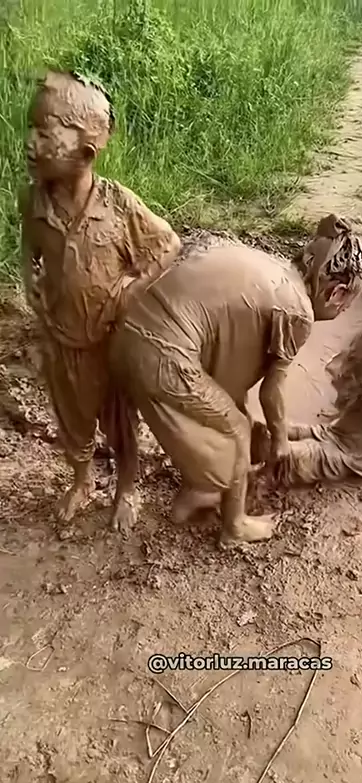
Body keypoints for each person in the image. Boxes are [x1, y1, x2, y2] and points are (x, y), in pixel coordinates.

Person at [110, 214, 362, 543]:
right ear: (336, 293)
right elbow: (271, 393)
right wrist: (279, 441)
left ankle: (202, 487)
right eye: (347, 304)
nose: (343, 311)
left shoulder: (270, 268)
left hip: (128, 335)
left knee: (226, 414)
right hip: (162, 354)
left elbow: (227, 374)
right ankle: (234, 526)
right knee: (236, 430)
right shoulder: (298, 312)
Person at [19, 71, 181, 533]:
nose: (30, 143)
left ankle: (127, 486)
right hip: (61, 339)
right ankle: (83, 479)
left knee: (120, 421)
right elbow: (29, 247)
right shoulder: (31, 201)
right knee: (71, 419)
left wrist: (132, 287)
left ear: (86, 154)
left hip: (109, 344)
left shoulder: (119, 205)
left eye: (45, 133)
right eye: (30, 128)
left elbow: (168, 244)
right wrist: (30, 276)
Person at [250, 331, 362, 499]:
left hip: (346, 453)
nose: (360, 389)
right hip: (331, 432)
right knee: (286, 430)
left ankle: (263, 465)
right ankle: (257, 438)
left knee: (298, 457)